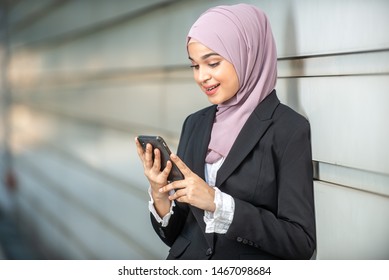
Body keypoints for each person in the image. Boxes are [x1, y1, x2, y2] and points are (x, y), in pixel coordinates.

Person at [135, 3, 316, 260]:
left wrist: (219, 204)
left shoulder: (288, 129)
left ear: (247, 54)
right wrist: (159, 193)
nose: (201, 77)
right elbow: (176, 235)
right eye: (195, 66)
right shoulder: (195, 124)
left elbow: (300, 242)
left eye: (212, 63)